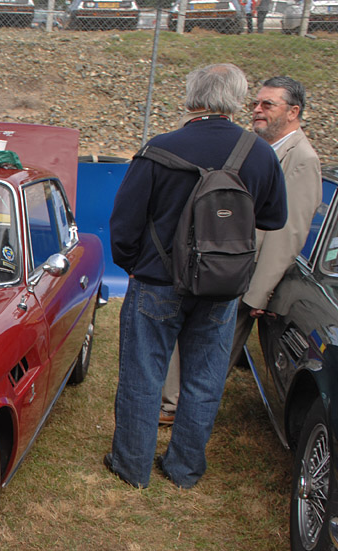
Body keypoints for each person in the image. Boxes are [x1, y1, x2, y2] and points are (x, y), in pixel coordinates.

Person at [105, 63, 287, 489]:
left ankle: (132, 467)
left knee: (142, 375)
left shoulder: (160, 148)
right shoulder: (259, 153)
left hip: (157, 281)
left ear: (192, 98)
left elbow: (125, 222)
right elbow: (273, 218)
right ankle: (184, 469)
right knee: (204, 380)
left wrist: (133, 264)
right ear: (237, 100)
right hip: (221, 286)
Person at [160, 76, 321, 424]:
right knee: (194, 341)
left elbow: (288, 232)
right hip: (218, 265)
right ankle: (174, 403)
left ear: (293, 112)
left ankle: (179, 411)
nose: (257, 111)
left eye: (268, 105)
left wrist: (257, 293)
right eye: (255, 104)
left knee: (212, 353)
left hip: (243, 278)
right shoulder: (259, 148)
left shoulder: (303, 158)